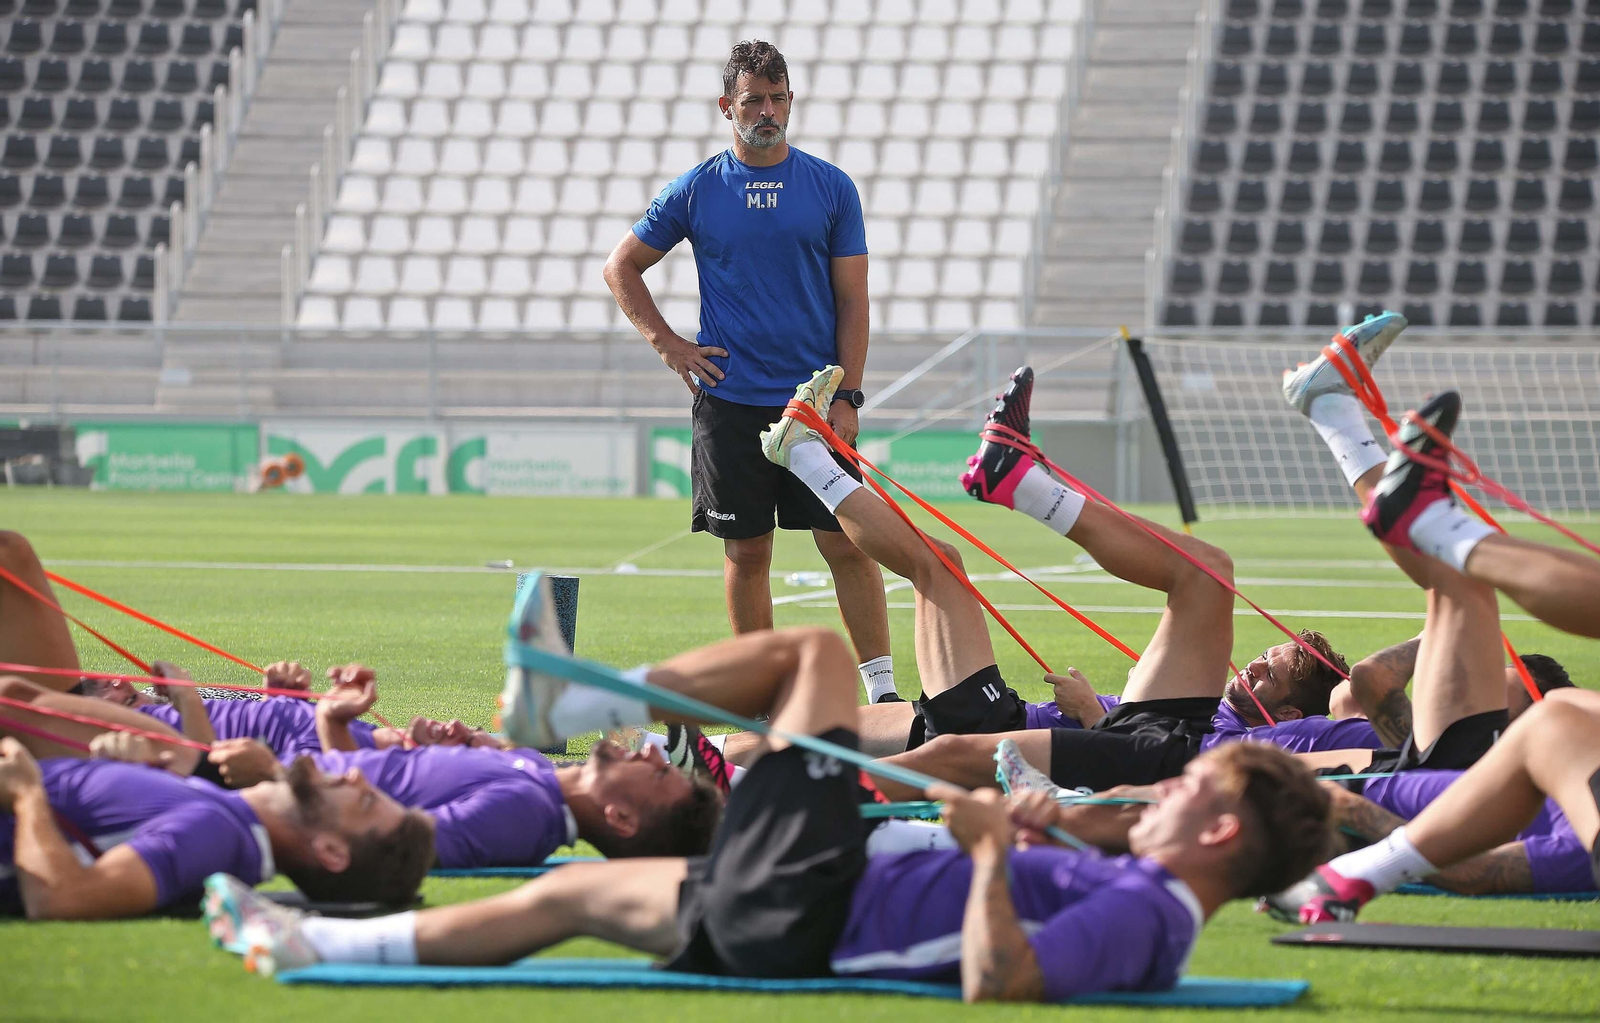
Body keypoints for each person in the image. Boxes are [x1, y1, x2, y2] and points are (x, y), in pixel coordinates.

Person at [204, 594, 1332, 1004]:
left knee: (815, 665)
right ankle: (315, 950)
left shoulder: (1147, 920)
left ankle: (567, 708)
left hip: (817, 900)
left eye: (1192, 787)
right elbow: (1078, 873)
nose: (1174, 786)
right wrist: (1048, 820)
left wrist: (990, 852)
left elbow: (1008, 985)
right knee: (567, 907)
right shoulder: (1149, 890)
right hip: (795, 911)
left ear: (1222, 831)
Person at [756, 366, 1373, 796]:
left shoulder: (1248, 740)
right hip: (1009, 717)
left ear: (1288, 710)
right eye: (1268, 654)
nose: (1255, 666)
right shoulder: (1209, 703)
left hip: (997, 733)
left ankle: (806, 454)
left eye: (1273, 673)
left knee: (937, 567)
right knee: (781, 740)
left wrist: (1095, 719)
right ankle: (664, 746)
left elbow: (1139, 760)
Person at [601, 39, 896, 705]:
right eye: (752, 100)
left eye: (777, 97)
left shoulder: (830, 186)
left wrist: (848, 393)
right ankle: (761, 698)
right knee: (747, 553)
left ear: (791, 101)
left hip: (814, 405)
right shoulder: (699, 188)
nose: (766, 111)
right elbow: (621, 266)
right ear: (725, 108)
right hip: (730, 403)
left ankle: (882, 692)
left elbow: (854, 299)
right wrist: (669, 344)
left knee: (847, 545)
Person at [0, 738, 434, 920]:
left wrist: (26, 794)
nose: (355, 776)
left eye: (363, 801)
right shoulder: (227, 819)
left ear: (331, 852)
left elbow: (63, 898)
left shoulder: (217, 835)